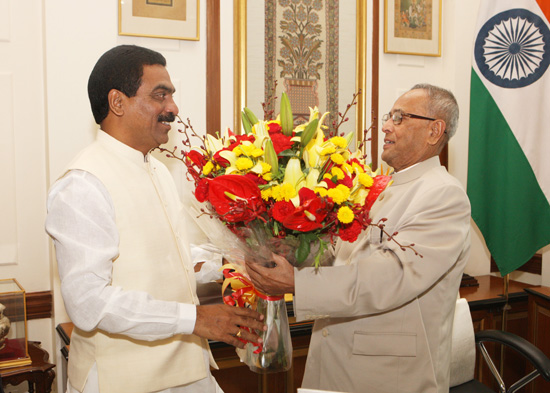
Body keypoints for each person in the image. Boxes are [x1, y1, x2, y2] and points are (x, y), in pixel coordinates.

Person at [46, 45, 265, 393]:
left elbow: (166, 257)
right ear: (118, 102)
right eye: (159, 95)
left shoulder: (160, 171)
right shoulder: (82, 184)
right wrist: (194, 318)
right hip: (123, 381)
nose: (173, 109)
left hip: (190, 370)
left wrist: (230, 263)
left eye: (172, 96)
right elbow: (89, 303)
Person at [246, 84, 471, 393]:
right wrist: (293, 252)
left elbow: (391, 277)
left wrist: (297, 283)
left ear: (435, 130)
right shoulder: (383, 186)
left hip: (388, 375)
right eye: (390, 116)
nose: (387, 126)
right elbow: (344, 256)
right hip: (339, 358)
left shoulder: (444, 195)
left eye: (400, 117)